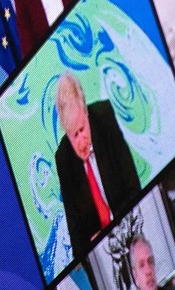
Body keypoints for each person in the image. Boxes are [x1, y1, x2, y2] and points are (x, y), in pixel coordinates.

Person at [54, 73, 140, 254]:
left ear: (86, 112)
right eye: (74, 135)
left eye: (82, 129)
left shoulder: (104, 117)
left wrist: (118, 228)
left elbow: (133, 186)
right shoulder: (63, 159)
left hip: (130, 229)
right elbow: (76, 236)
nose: (81, 141)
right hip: (103, 252)